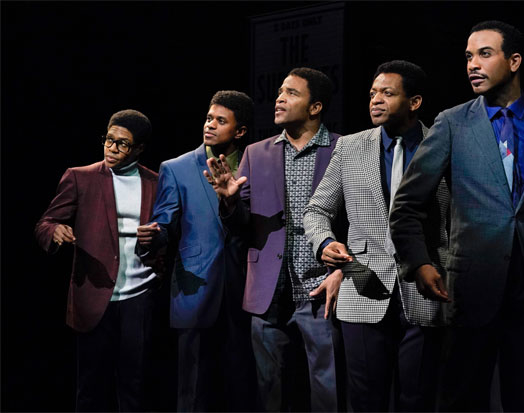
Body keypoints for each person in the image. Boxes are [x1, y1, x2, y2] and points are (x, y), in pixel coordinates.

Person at [389, 21, 524, 411]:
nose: (472, 64)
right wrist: (419, 263)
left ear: (514, 61)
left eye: (484, 54)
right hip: (472, 284)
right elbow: (407, 204)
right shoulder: (452, 122)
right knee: (463, 398)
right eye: (468, 57)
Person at [303, 60, 449, 412]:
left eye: (387, 93)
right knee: (366, 399)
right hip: (362, 285)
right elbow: (317, 210)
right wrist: (325, 241)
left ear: (414, 102)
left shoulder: (443, 145)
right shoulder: (351, 147)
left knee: (418, 400)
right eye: (372, 93)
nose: (376, 100)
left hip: (427, 288)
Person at [206, 67, 342, 412]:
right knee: (269, 390)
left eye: (292, 93)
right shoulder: (257, 152)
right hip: (268, 291)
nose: (280, 98)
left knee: (328, 389)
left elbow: (359, 219)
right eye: (280, 91)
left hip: (321, 289)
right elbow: (240, 226)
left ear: (315, 107)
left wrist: (343, 270)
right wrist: (229, 200)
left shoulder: (345, 149)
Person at [136, 91, 256, 412]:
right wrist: (152, 236)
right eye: (208, 118)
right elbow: (165, 223)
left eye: (220, 120)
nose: (210, 125)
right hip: (196, 289)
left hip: (245, 290)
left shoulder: (256, 164)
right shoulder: (176, 168)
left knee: (242, 386)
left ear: (240, 131)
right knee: (194, 390)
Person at [34, 109, 159, 411]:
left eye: (123, 144)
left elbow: (170, 229)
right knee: (91, 387)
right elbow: (45, 222)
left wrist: (159, 238)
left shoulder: (155, 181)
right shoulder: (80, 177)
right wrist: (56, 231)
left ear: (139, 149)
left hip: (139, 295)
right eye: (109, 140)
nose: (112, 148)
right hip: (94, 295)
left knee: (134, 385)